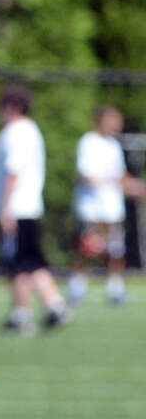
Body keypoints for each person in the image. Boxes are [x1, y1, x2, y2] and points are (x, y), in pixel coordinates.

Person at [0, 81, 69, 333]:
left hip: (17, 207)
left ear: (14, 106)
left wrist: (5, 208)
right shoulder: (28, 130)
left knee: (17, 263)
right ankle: (54, 304)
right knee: (31, 260)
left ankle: (22, 313)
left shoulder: (17, 132)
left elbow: (12, 171)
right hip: (26, 207)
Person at [68, 104, 144, 307]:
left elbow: (121, 176)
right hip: (92, 209)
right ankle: (76, 288)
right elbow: (86, 175)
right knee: (88, 250)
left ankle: (115, 289)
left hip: (112, 209)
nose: (117, 125)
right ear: (101, 120)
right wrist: (110, 180)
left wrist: (136, 187)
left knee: (116, 250)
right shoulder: (88, 142)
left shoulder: (113, 145)